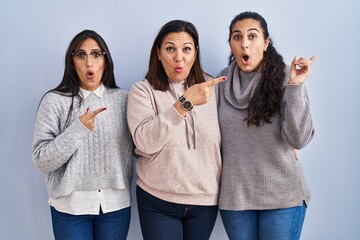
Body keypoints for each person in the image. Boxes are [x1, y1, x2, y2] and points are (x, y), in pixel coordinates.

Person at [217, 11, 316, 240]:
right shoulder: (219, 83)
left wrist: (295, 86)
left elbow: (298, 140)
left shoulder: (285, 77)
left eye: (252, 36)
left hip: (282, 197)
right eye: (237, 37)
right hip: (236, 199)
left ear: (266, 43)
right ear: (230, 43)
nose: (245, 45)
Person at [127, 20, 226, 240]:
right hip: (158, 200)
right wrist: (184, 103)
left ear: (195, 53)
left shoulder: (213, 88)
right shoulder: (142, 91)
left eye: (186, 49)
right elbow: (144, 142)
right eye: (170, 48)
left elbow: (235, 127)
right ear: (159, 53)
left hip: (205, 200)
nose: (179, 57)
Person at [32, 29, 133, 240]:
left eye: (96, 54)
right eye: (81, 55)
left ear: (106, 61)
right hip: (70, 208)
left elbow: (141, 146)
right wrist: (79, 129)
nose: (89, 62)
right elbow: (42, 160)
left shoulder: (124, 99)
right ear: (72, 62)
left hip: (115, 206)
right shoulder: (54, 101)